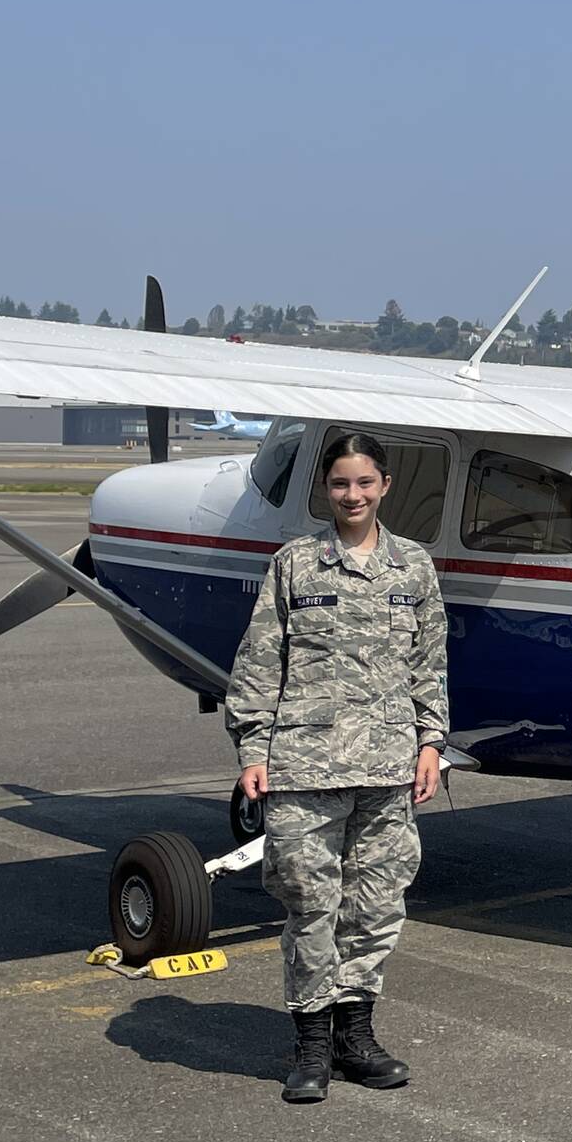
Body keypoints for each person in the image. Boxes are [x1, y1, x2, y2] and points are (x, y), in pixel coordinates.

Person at [225, 431, 448, 1103]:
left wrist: (431, 742)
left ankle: (356, 1038)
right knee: (309, 904)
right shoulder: (295, 564)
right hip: (304, 767)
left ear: (385, 487)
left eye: (365, 483)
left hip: (387, 765)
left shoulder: (414, 567)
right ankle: (312, 1045)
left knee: (375, 906)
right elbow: (260, 661)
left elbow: (429, 664)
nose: (353, 495)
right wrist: (253, 749)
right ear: (326, 489)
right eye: (341, 483)